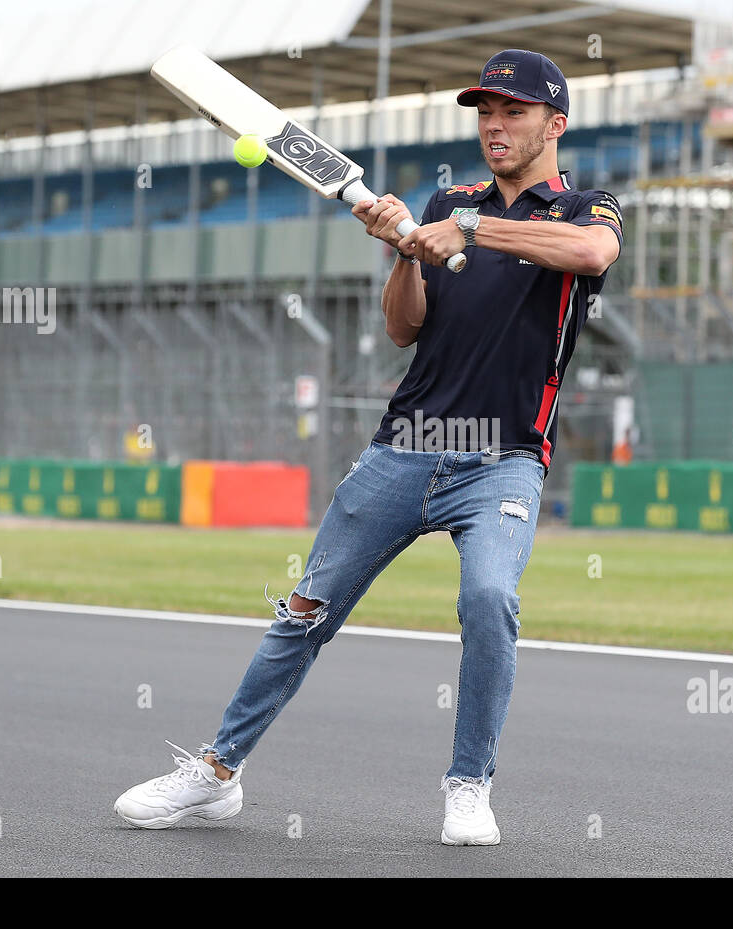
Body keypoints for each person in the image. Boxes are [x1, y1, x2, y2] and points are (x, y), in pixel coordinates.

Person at [115, 49, 624, 845]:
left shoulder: (586, 208)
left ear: (554, 124)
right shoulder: (447, 199)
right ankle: (216, 774)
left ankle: (468, 785)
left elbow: (592, 258)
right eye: (485, 112)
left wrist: (459, 230)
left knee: (490, 600)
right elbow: (403, 327)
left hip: (505, 459)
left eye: (513, 112)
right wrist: (403, 252)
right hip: (404, 448)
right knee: (304, 612)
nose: (495, 126)